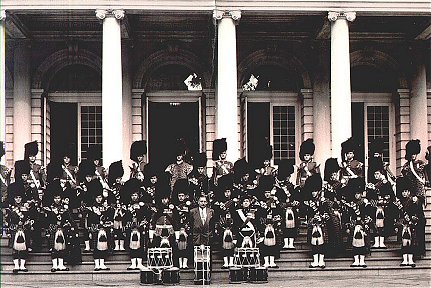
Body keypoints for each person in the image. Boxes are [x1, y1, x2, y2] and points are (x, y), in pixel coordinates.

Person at [45, 182, 74, 272]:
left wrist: (69, 225)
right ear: (53, 199)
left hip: (62, 229)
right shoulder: (50, 208)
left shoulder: (65, 208)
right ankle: (54, 265)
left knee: (62, 247)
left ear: (61, 198)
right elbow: (48, 220)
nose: (57, 200)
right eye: (55, 198)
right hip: (53, 229)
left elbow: (69, 218)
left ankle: (61, 265)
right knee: (54, 248)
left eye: (58, 198)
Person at [87, 180, 114, 271]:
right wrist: (90, 231)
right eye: (97, 197)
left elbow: (109, 218)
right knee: (95, 247)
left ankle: (102, 264)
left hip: (104, 229)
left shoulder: (106, 207)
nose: (99, 199)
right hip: (95, 228)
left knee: (103, 247)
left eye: (100, 197)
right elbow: (89, 221)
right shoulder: (91, 208)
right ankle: (96, 264)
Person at [5, 183, 30, 273]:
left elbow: (28, 219)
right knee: (15, 249)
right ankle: (16, 266)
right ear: (14, 198)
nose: (18, 199)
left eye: (19, 197)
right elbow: (7, 220)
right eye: (16, 198)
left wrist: (26, 224)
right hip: (14, 230)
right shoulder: (10, 209)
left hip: (24, 230)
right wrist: (8, 231)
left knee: (24, 248)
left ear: (22, 198)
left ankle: (22, 266)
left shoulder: (26, 208)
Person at [213, 175, 237, 268]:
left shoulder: (234, 202)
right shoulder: (218, 202)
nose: (227, 194)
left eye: (228, 191)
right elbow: (217, 215)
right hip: (222, 225)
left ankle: (231, 261)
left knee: (231, 244)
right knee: (223, 243)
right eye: (225, 192)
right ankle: (225, 261)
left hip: (232, 225)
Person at [173, 179, 193, 269]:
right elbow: (174, 219)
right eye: (179, 196)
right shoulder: (174, 206)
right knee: (178, 247)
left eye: (182, 196)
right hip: (178, 228)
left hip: (186, 228)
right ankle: (179, 263)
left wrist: (186, 227)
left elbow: (191, 217)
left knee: (186, 246)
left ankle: (185, 263)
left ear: (185, 196)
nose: (181, 197)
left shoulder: (189, 206)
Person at [401, 139, 426, 207]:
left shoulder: (421, 164)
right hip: (409, 191)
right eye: (411, 154)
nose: (413, 155)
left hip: (419, 190)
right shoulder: (406, 165)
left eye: (414, 154)